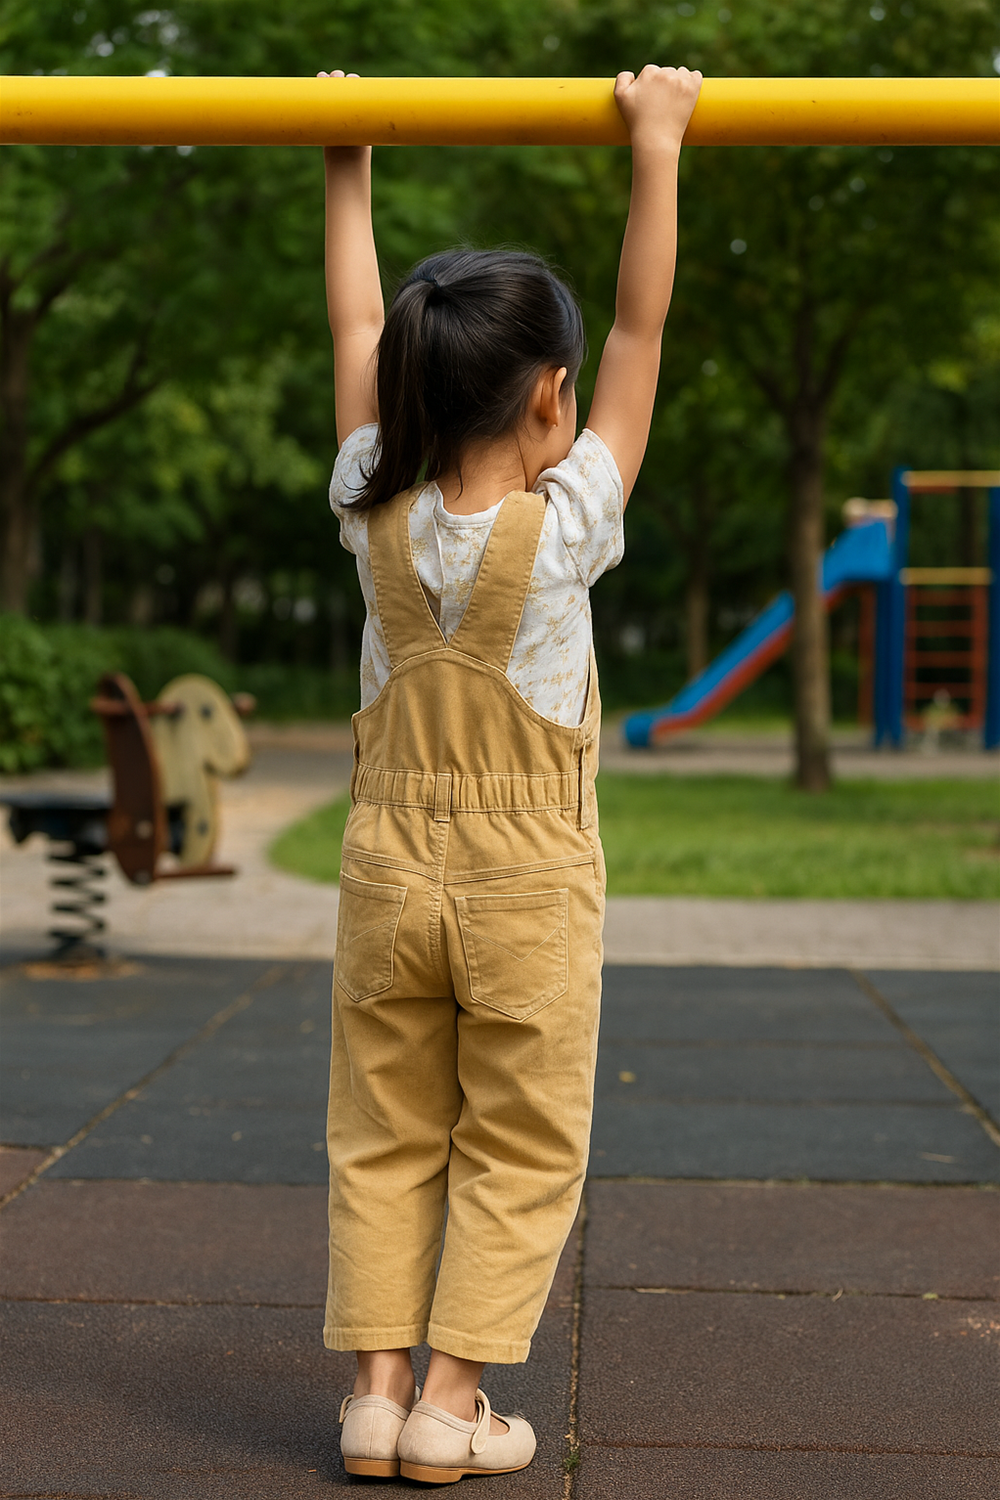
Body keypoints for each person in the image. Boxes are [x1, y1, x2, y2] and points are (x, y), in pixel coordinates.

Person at [320, 63, 702, 1484]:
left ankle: (372, 1393)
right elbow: (646, 331)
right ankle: (452, 1400)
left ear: (407, 393)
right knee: (520, 1141)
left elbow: (358, 317)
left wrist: (340, 153)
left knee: (384, 1128)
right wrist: (655, 146)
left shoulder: (374, 512)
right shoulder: (571, 523)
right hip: (526, 883)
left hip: (384, 869)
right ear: (551, 396)